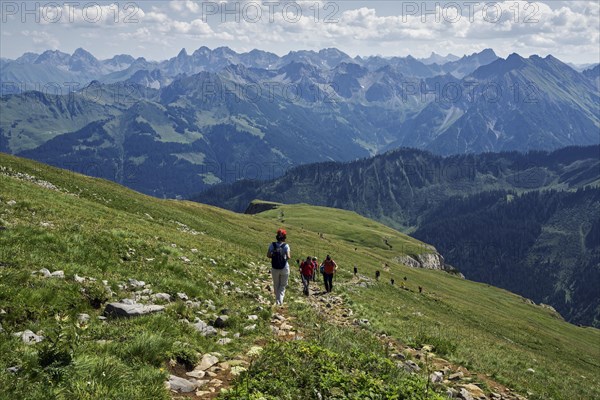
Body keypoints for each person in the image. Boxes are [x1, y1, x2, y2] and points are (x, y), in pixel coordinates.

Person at [267, 229, 291, 306]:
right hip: (284, 267)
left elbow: (268, 255)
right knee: (283, 285)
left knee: (276, 284)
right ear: (284, 237)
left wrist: (274, 255)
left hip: (274, 267)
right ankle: (280, 301)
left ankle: (277, 300)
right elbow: (288, 257)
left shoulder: (272, 245)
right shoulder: (286, 246)